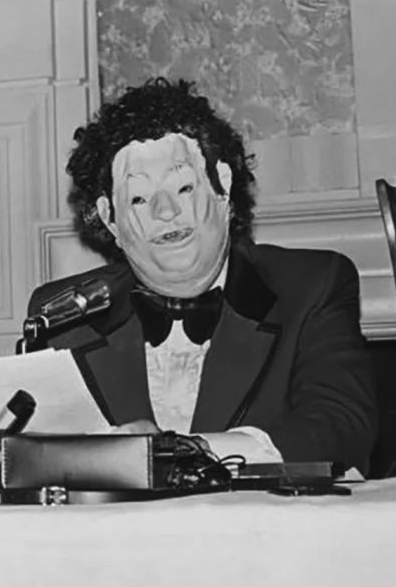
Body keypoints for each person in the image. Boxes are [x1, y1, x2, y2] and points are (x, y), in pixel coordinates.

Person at [29, 78, 377, 472]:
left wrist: (182, 454)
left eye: (183, 187)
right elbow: (32, 456)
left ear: (222, 187)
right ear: (110, 218)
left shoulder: (311, 286)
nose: (165, 212)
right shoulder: (64, 313)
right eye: (139, 198)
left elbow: (342, 430)